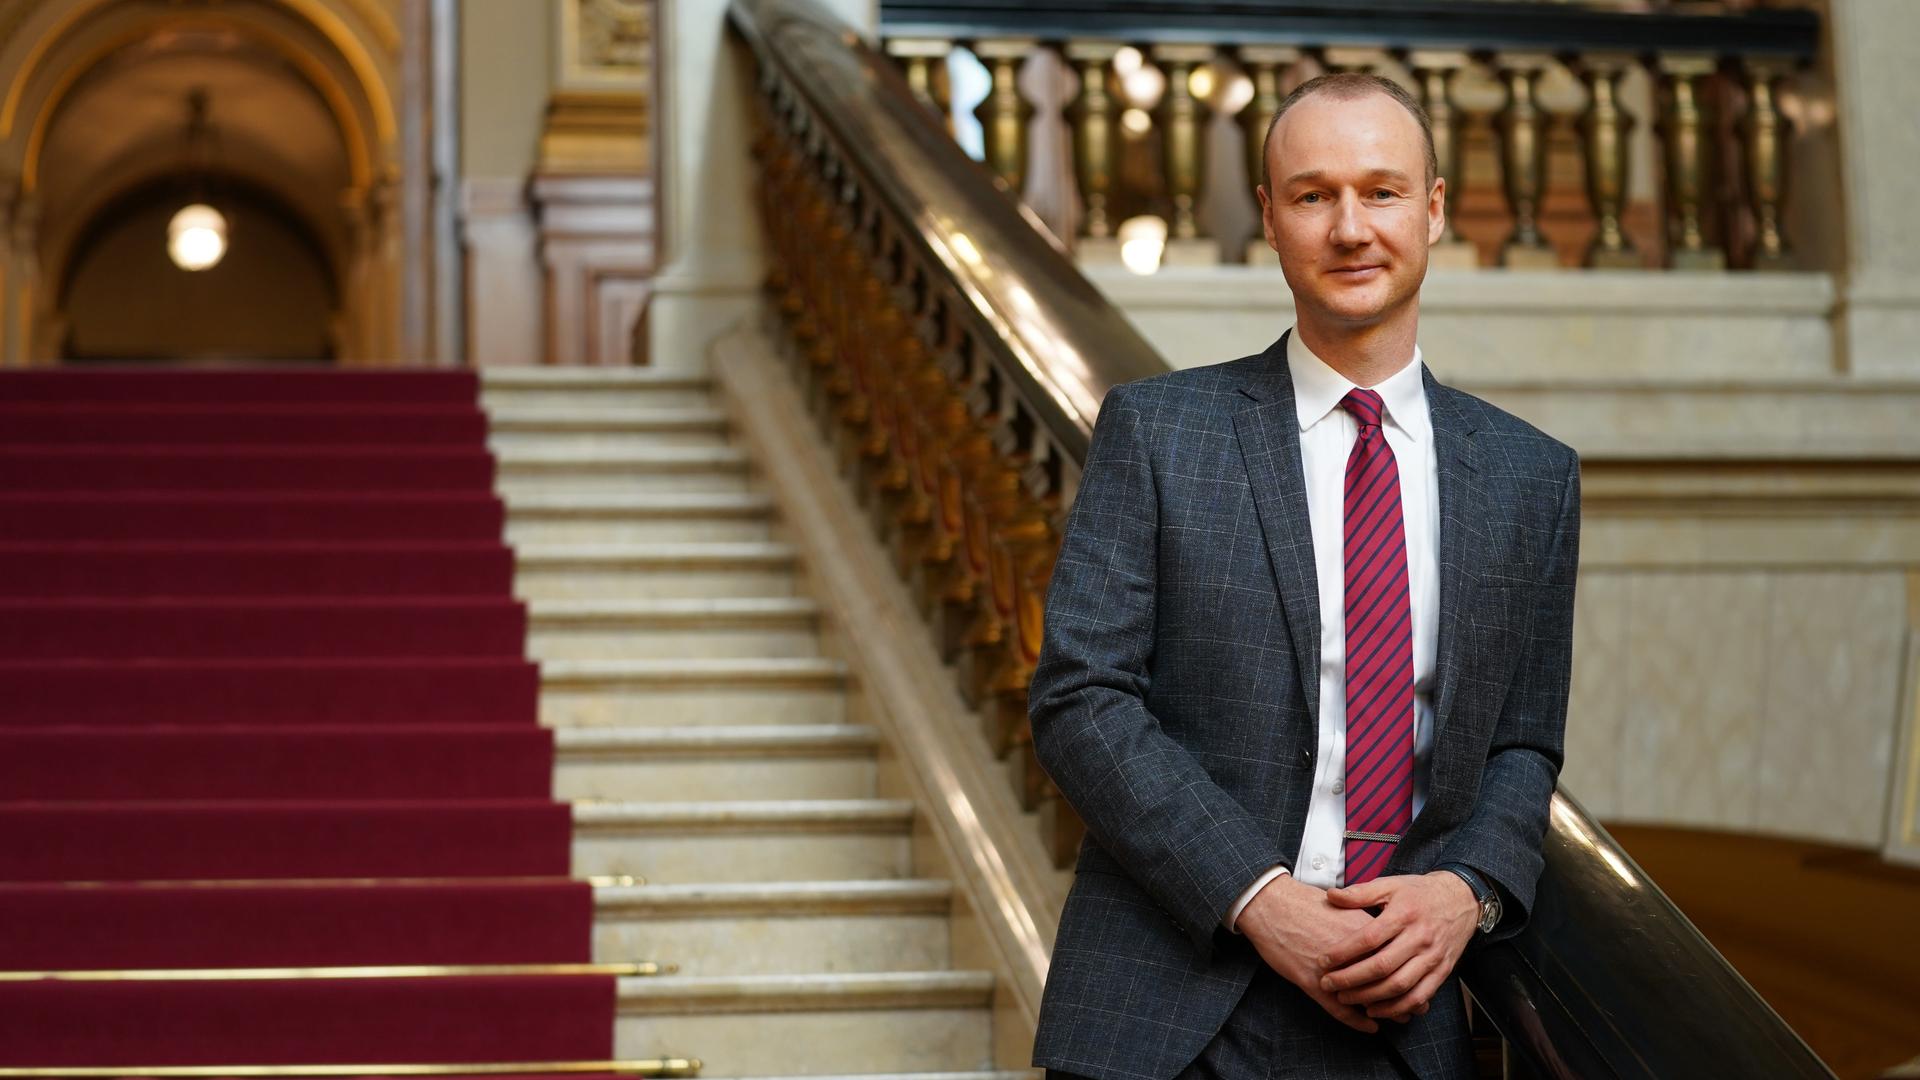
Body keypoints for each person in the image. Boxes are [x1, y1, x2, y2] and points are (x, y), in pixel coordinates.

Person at [1027, 72, 1580, 1080]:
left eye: (1382, 191)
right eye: (1315, 195)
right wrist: (1259, 897)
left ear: (1434, 210)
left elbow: (1524, 740)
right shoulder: (1161, 432)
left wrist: (1469, 889)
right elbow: (1081, 698)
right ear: (1273, 220)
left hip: (1399, 1018)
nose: (1352, 227)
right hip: (1173, 1004)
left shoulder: (1531, 478)